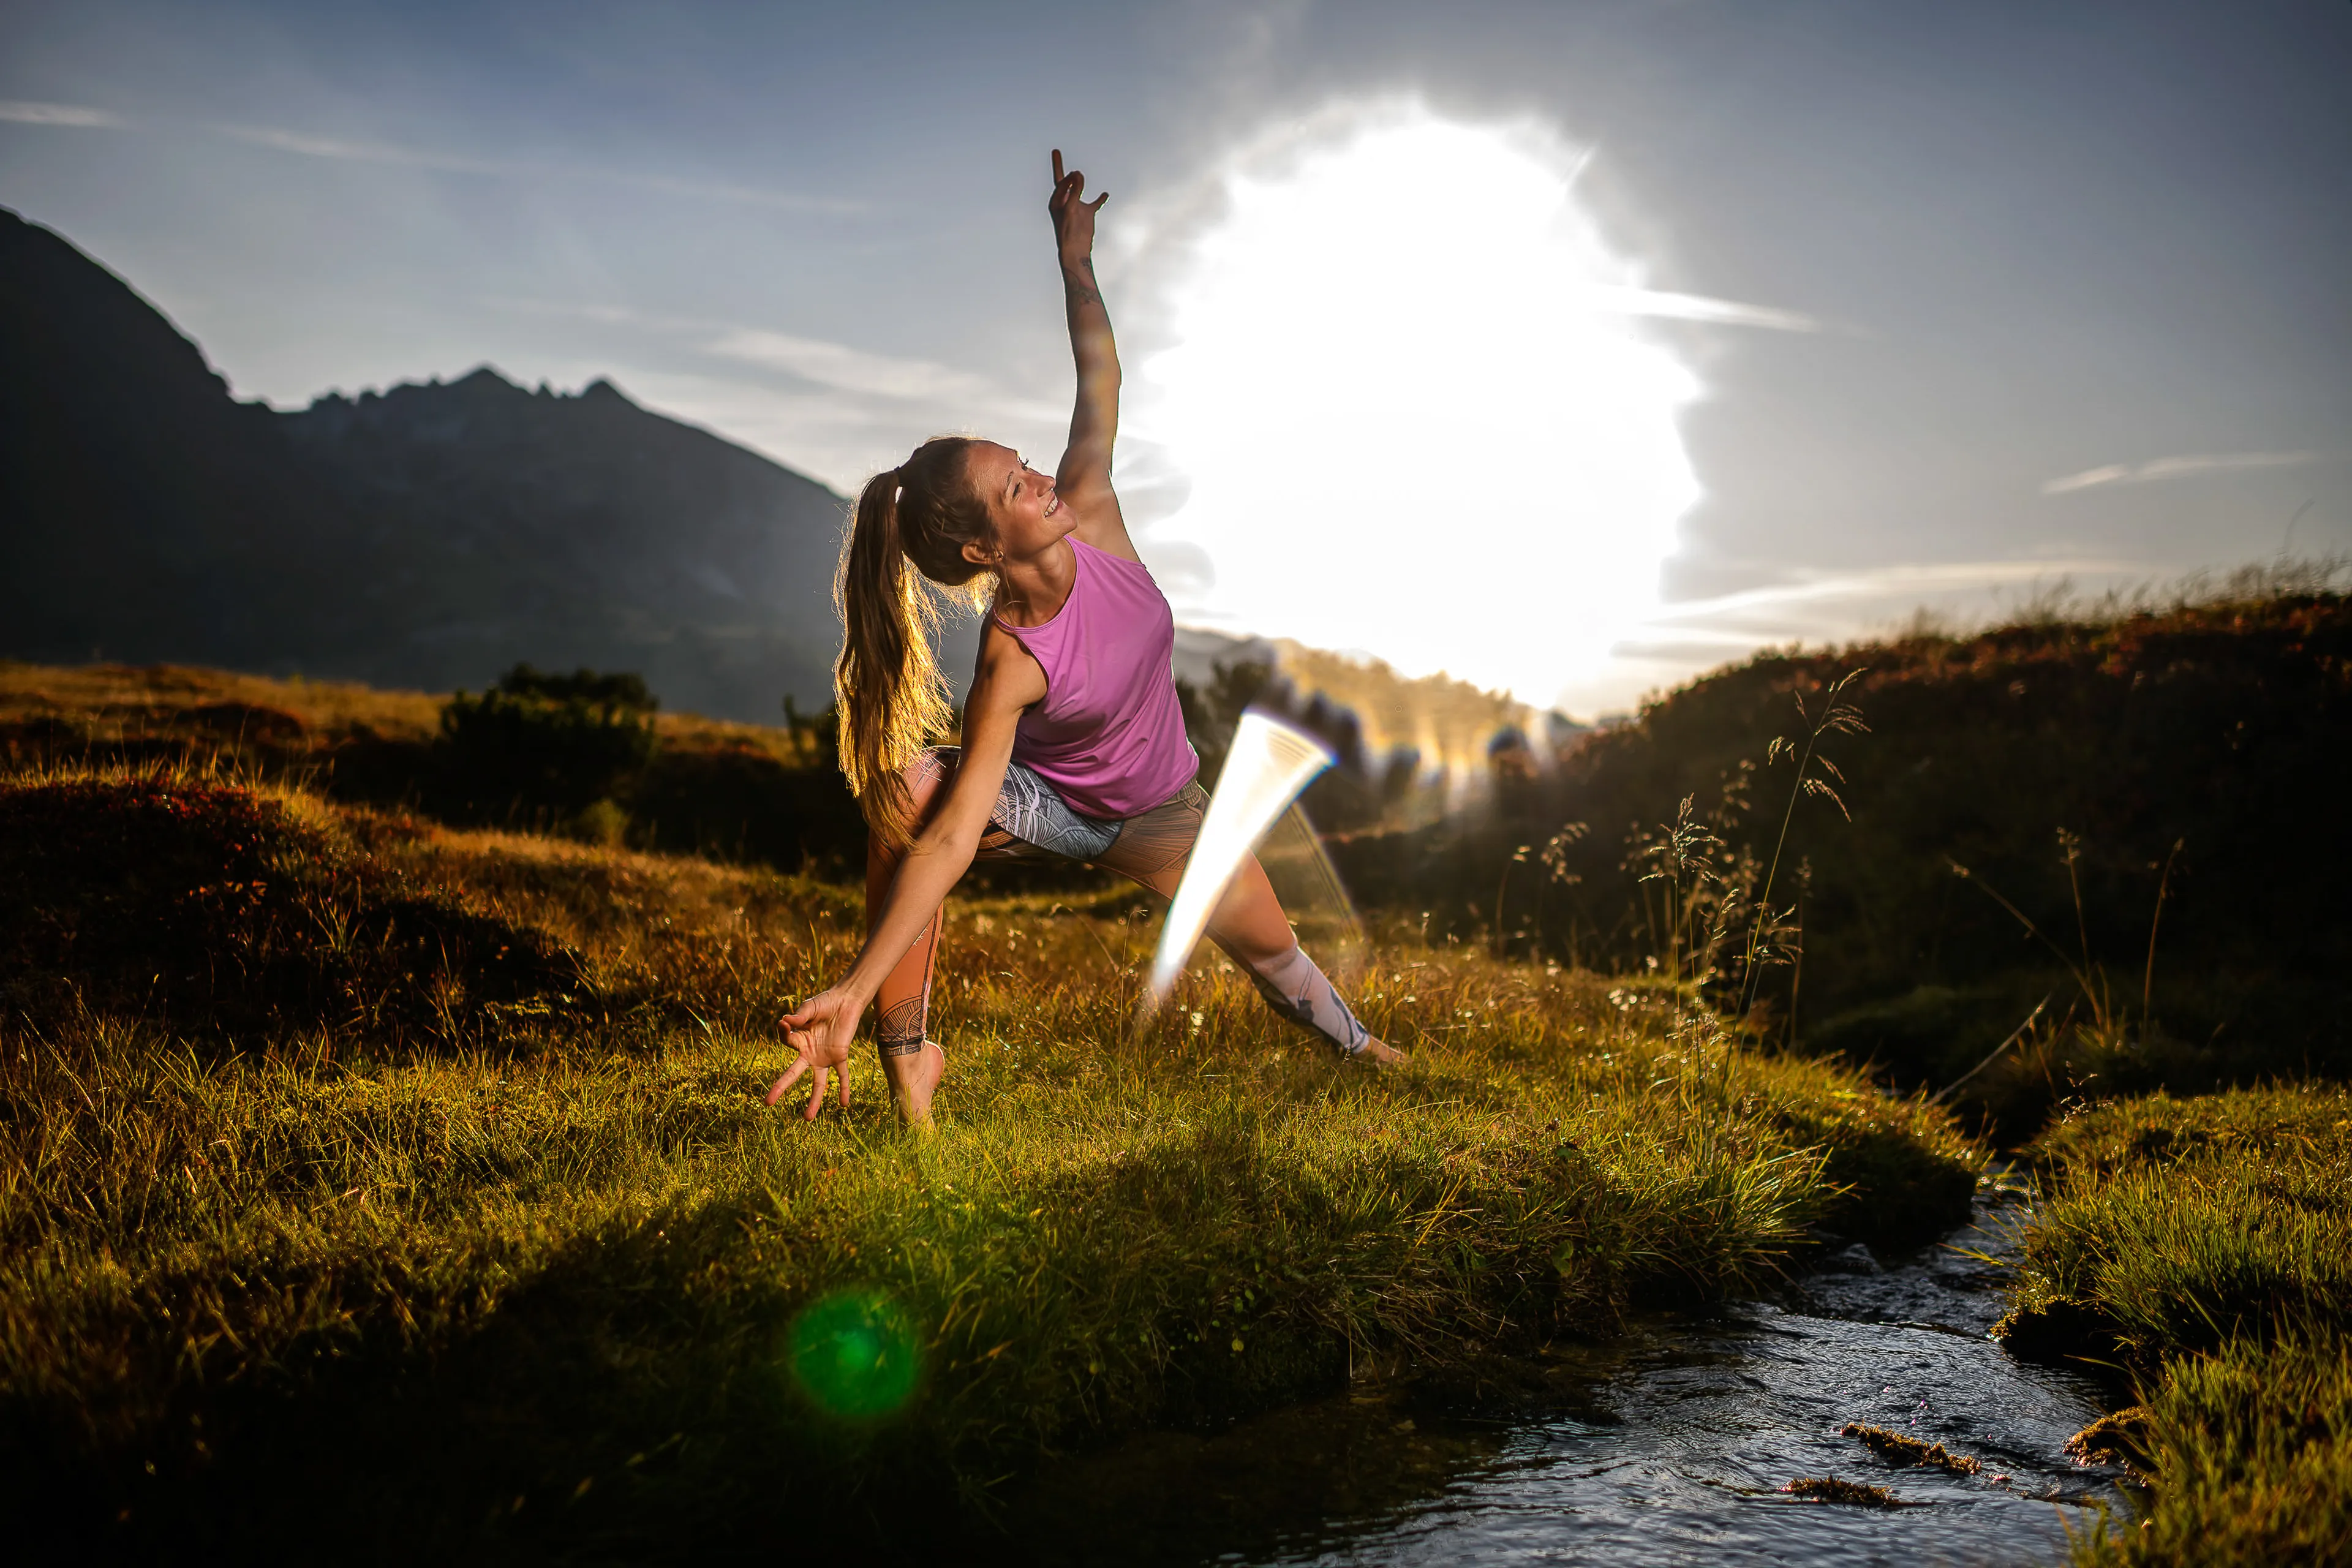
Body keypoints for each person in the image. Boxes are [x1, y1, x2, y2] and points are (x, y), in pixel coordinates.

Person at [765, 150, 1404, 1126]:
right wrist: (853, 987)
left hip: (1164, 810)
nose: (1040, 480)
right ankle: (907, 1057)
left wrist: (1076, 263)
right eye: (1015, 487)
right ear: (985, 548)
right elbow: (952, 839)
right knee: (911, 795)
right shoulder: (1010, 660)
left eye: (1024, 463)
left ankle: (1368, 1054)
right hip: (1056, 807)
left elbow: (1100, 374)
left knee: (1278, 959)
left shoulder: (1093, 509)